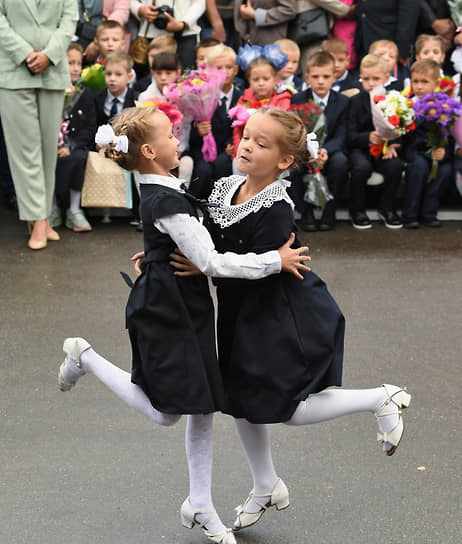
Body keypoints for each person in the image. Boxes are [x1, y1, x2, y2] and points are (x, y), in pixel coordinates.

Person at [57, 105, 309, 544]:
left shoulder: (164, 185)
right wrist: (276, 260)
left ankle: (200, 504)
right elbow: (211, 261)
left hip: (185, 304)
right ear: (152, 150)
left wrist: (155, 253)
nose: (179, 138)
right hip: (164, 311)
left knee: (202, 404)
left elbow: (184, 240)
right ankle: (86, 357)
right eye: (171, 134)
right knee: (166, 412)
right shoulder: (166, 200)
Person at [172, 108, 411, 532]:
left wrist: (210, 266)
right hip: (237, 312)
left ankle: (380, 397)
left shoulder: (277, 208)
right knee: (241, 401)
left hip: (278, 312)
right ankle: (265, 484)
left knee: (289, 408)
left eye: (261, 144)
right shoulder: (225, 187)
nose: (247, 145)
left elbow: (259, 264)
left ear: (284, 162)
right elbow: (204, 238)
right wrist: (175, 256)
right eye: (246, 136)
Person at [0, 0, 78, 250]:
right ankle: (40, 220)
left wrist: (49, 55)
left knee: (47, 151)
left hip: (52, 70)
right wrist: (24, 53)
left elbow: (69, 21)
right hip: (13, 71)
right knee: (25, 150)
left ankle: (41, 217)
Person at [291, 51, 349, 231]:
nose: (321, 81)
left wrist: (324, 152)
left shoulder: (343, 102)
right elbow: (295, 131)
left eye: (326, 76)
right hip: (304, 151)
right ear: (307, 77)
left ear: (335, 76)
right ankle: (305, 212)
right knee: (291, 166)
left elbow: (342, 134)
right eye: (315, 76)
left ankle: (329, 212)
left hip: (330, 150)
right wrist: (308, 151)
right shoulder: (298, 99)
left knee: (341, 163)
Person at [347, 54, 405, 229]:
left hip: (384, 150)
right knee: (361, 168)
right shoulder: (355, 102)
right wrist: (368, 138)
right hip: (360, 149)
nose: (370, 83)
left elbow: (402, 128)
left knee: (395, 166)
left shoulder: (393, 100)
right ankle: (357, 210)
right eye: (366, 79)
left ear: (386, 78)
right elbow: (349, 135)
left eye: (376, 78)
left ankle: (386, 208)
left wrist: (394, 143)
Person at [402, 59, 453, 229]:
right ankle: (410, 214)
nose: (419, 86)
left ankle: (428, 213)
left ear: (437, 83)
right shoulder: (407, 104)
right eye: (415, 81)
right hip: (415, 151)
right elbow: (407, 137)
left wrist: (443, 150)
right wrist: (427, 152)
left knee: (445, 170)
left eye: (425, 82)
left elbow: (451, 133)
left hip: (437, 151)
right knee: (419, 167)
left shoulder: (444, 104)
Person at [51, 43, 96, 232]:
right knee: (47, 161)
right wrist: (57, 145)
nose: (76, 68)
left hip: (76, 145)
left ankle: (74, 210)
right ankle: (51, 208)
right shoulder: (51, 91)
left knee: (79, 159)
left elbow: (89, 126)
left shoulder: (85, 93)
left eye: (79, 63)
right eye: (70, 63)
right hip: (52, 145)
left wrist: (71, 145)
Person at [186, 44, 242, 198]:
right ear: (209, 71)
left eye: (229, 67)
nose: (224, 72)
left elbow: (242, 126)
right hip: (203, 151)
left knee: (224, 165)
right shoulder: (200, 96)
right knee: (203, 170)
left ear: (236, 70)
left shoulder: (241, 97)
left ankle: (225, 207)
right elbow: (187, 133)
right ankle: (194, 206)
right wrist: (198, 131)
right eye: (218, 68)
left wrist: (232, 142)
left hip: (228, 151)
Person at [231, 45, 292, 162]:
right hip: (245, 151)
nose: (261, 83)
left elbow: (283, 130)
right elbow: (237, 130)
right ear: (249, 80)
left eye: (265, 79)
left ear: (275, 79)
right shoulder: (244, 100)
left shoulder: (283, 99)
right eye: (256, 79)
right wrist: (238, 151)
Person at [130, 0, 206, 69]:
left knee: (185, 78)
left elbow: (200, 2)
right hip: (150, 33)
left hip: (185, 34)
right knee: (147, 80)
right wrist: (139, 9)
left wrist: (184, 23)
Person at [94, 52, 138, 127]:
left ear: (129, 77)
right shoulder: (96, 98)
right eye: (108, 74)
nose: (112, 79)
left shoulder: (136, 99)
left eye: (118, 74)